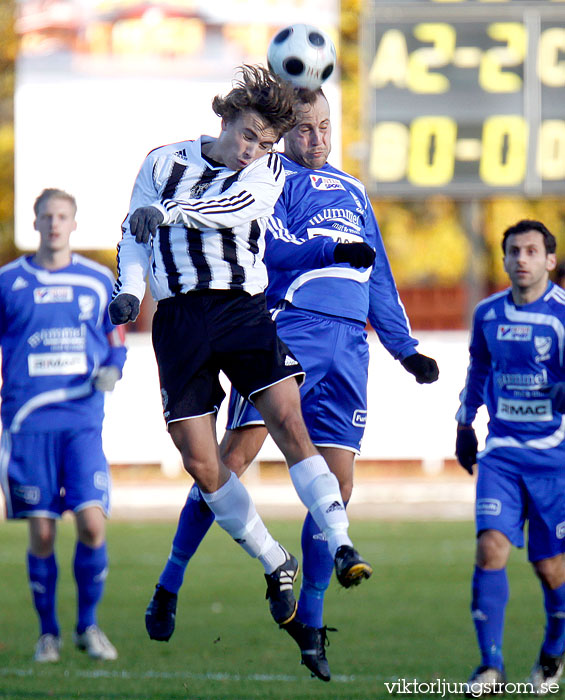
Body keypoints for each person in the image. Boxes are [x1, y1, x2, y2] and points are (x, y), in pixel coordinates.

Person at [143, 87, 439, 681]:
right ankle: (169, 582)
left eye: (326, 126)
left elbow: (377, 272)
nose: (319, 138)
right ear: (287, 134)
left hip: (350, 346)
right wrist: (328, 248)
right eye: (306, 129)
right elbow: (269, 252)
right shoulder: (270, 177)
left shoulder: (355, 190)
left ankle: (309, 621)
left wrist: (405, 349)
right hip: (290, 327)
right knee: (232, 457)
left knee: (341, 481)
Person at [109, 66, 373, 641]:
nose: (254, 150)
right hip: (179, 319)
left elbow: (235, 211)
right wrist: (128, 291)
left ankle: (342, 537)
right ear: (224, 117)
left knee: (289, 420)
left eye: (267, 142)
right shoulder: (161, 162)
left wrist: (172, 214)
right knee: (204, 464)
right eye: (249, 135)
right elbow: (134, 232)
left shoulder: (267, 170)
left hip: (240, 308)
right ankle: (274, 559)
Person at [0, 188, 127, 663]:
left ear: (74, 224)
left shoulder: (97, 281)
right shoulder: (8, 281)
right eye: (47, 216)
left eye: (62, 216)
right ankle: (47, 633)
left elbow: (116, 342)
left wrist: (113, 368)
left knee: (93, 524)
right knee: (44, 533)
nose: (54, 224)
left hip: (80, 422)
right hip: (27, 423)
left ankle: (88, 626)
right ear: (34, 223)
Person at [456, 219, 565, 694]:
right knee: (490, 548)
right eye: (513, 251)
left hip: (554, 460)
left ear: (549, 261)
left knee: (551, 569)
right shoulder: (487, 314)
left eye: (531, 251)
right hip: (500, 454)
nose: (521, 259)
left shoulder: (562, 316)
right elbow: (479, 365)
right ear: (503, 259)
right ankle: (491, 667)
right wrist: (464, 422)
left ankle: (555, 649)